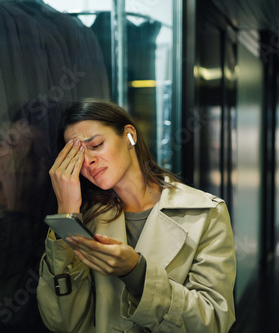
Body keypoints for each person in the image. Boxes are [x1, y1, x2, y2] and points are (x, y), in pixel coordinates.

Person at [37, 99, 236, 333]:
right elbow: (62, 323)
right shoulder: (85, 220)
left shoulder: (205, 213)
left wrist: (136, 272)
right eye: (76, 155)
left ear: (129, 136)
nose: (88, 161)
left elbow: (211, 323)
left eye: (96, 145)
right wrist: (66, 210)